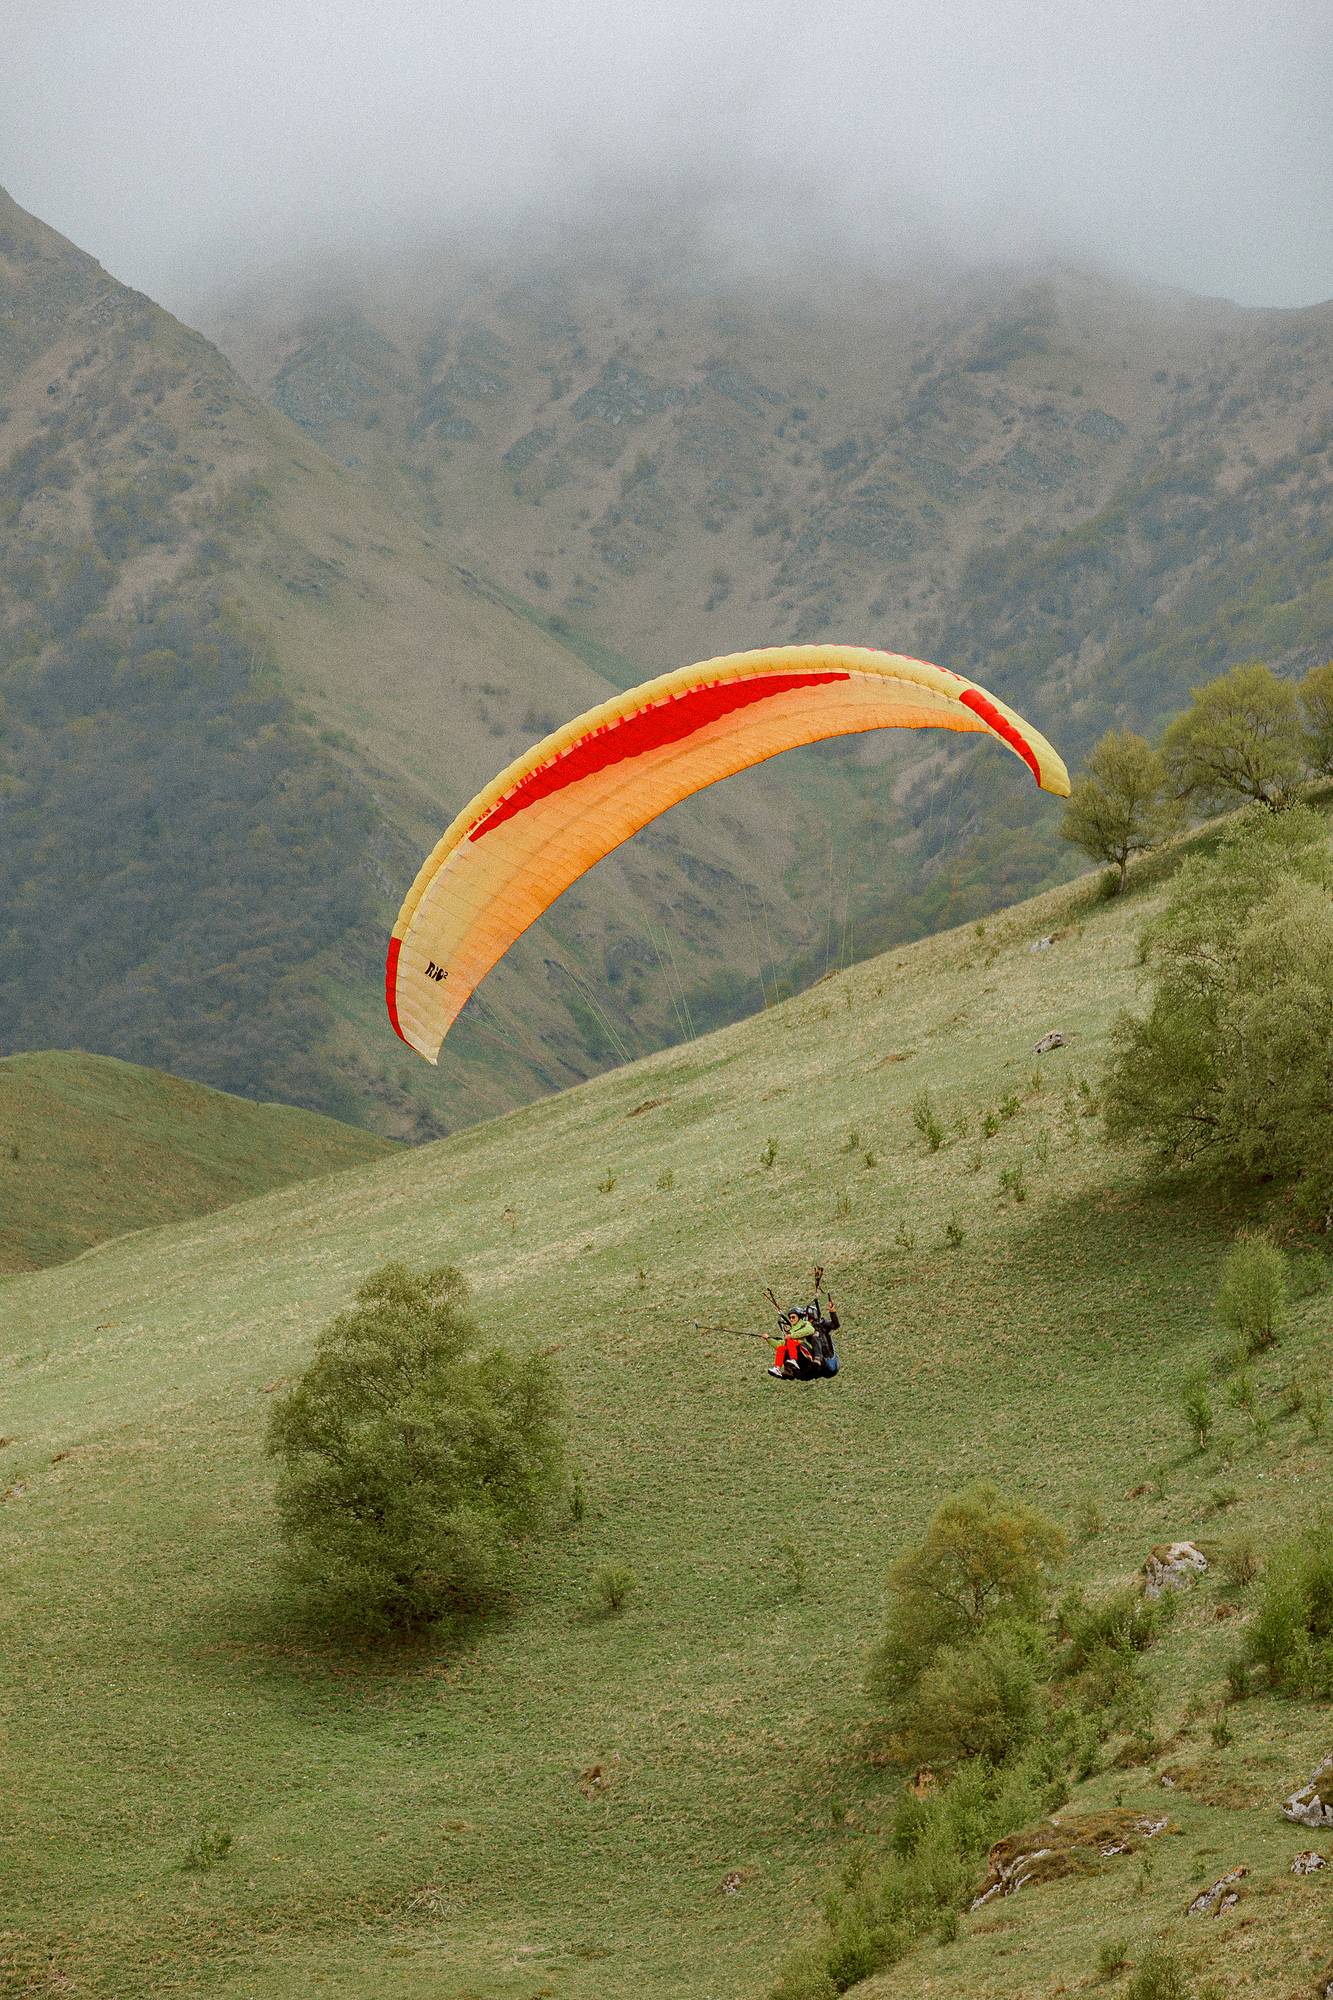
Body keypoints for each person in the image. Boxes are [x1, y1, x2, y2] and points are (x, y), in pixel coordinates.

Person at [768, 1291, 840, 1380]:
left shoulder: (821, 1324)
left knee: (814, 1335)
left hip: (829, 1358)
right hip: (820, 1366)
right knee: (791, 1346)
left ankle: (817, 1358)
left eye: (809, 1318)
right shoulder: (804, 1327)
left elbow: (835, 1325)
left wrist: (832, 1313)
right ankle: (790, 1371)